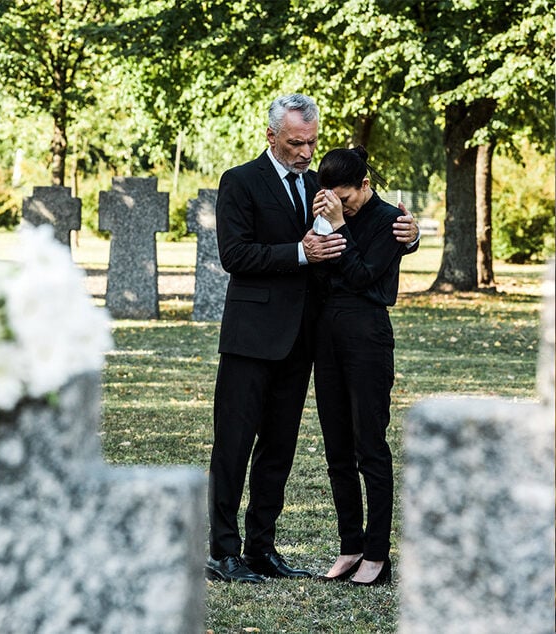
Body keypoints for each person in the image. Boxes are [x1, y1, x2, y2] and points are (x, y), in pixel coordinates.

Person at [205, 94, 419, 584]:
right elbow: (235, 255)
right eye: (297, 143)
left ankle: (262, 548)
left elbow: (364, 228)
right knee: (233, 447)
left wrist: (410, 236)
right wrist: (300, 253)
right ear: (271, 136)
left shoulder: (318, 187)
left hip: (303, 341)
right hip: (250, 337)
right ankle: (223, 551)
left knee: (278, 450)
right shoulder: (240, 182)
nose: (306, 153)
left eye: (312, 143)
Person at [310, 146, 406, 586]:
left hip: (367, 340)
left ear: (365, 186)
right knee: (337, 451)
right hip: (327, 339)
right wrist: (324, 225)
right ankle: (350, 545)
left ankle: (377, 553)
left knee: (371, 446)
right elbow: (320, 272)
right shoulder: (326, 213)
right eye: (334, 199)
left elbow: (365, 276)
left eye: (346, 198)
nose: (340, 205)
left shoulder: (391, 221)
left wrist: (340, 225)